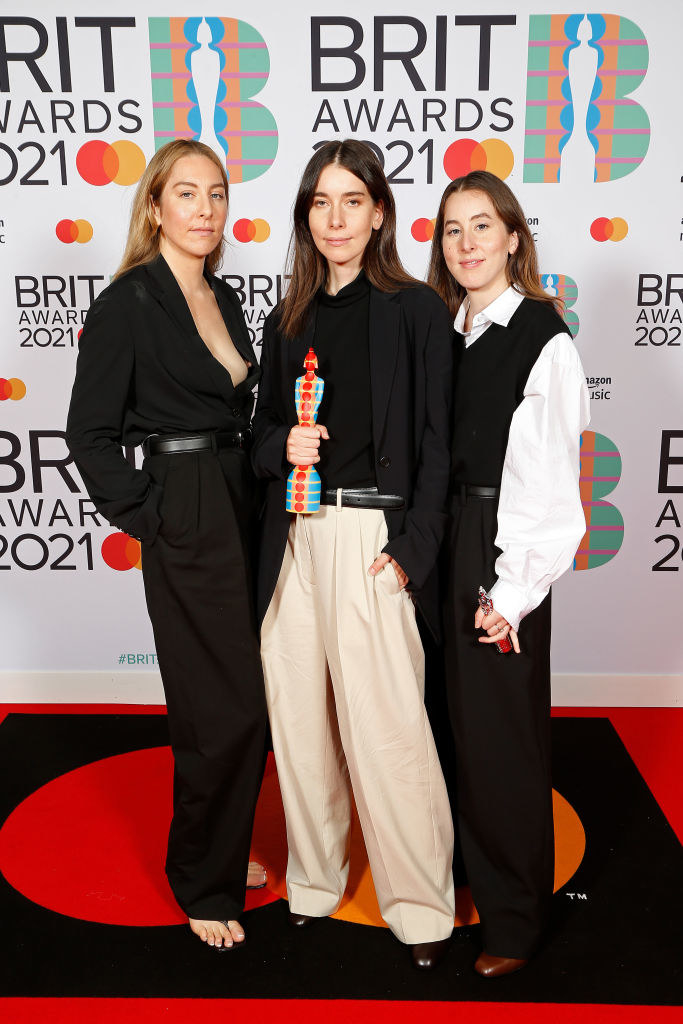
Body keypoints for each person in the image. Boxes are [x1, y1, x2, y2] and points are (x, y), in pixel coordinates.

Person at [252, 139, 455, 970]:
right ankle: (314, 878)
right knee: (299, 722)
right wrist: (282, 446)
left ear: (378, 212)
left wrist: (413, 550)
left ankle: (419, 903)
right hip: (294, 542)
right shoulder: (286, 315)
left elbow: (442, 446)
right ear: (305, 215)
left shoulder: (414, 309)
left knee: (386, 731)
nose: (334, 219)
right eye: (319, 202)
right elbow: (259, 436)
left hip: (373, 539)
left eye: (351, 201)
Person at [66, 140, 268, 951]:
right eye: (186, 194)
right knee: (216, 705)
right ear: (155, 207)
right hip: (185, 505)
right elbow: (90, 433)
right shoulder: (128, 303)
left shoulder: (224, 295)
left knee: (253, 695)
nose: (205, 209)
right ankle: (201, 878)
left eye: (216, 194)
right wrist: (154, 516)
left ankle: (224, 843)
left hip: (244, 505)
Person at [427, 170, 590, 977]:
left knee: (500, 738)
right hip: (442, 536)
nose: (465, 243)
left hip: (499, 543)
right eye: (452, 229)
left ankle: (517, 918)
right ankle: (464, 875)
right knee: (444, 721)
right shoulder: (447, 329)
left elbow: (552, 487)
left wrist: (512, 591)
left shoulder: (540, 336)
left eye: (481, 226)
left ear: (513, 238)